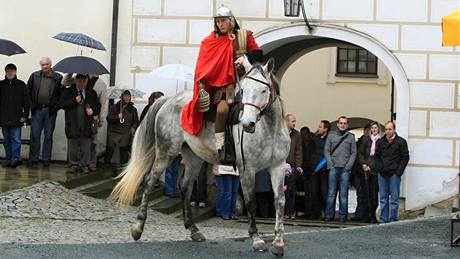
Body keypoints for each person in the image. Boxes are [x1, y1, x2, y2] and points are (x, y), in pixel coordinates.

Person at [181, 6, 263, 162]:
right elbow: (204, 66)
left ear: (231, 20)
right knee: (222, 110)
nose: (220, 24)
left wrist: (245, 59)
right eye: (218, 21)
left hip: (246, 83)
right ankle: (221, 146)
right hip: (224, 86)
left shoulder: (244, 36)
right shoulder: (210, 41)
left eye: (223, 21)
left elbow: (259, 54)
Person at [60, 74, 100, 173]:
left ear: (86, 81)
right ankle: (73, 164)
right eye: (79, 81)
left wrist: (93, 110)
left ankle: (84, 165)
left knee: (86, 146)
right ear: (75, 81)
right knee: (72, 146)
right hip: (73, 122)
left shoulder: (92, 92)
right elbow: (62, 104)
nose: (81, 83)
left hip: (86, 123)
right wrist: (75, 100)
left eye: (84, 81)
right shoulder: (69, 91)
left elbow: (97, 106)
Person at [27, 57, 63, 168]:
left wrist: (56, 107)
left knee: (48, 136)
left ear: (50, 64)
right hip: (37, 110)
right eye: (42, 65)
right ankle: (34, 159)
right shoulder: (34, 76)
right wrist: (31, 105)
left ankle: (46, 159)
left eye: (47, 64)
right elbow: (27, 92)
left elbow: (61, 95)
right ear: (40, 65)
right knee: (35, 135)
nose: (45, 66)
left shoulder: (58, 77)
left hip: (50, 111)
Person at [375, 121, 409, 223]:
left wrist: (399, 172)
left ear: (394, 129)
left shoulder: (401, 142)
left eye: (390, 129)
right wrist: (379, 168)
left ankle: (393, 220)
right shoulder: (381, 142)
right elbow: (376, 156)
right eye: (386, 129)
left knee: (394, 199)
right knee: (383, 199)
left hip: (394, 174)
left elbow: (405, 157)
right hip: (382, 174)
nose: (388, 132)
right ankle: (383, 220)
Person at [324, 116, 357, 222]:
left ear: (347, 125)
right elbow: (326, 151)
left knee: (343, 194)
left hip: (345, 169)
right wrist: (330, 163)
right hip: (333, 168)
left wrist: (349, 166)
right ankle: (329, 215)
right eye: (341, 123)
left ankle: (343, 216)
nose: (342, 125)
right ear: (338, 124)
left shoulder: (351, 137)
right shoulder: (331, 136)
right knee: (331, 193)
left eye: (345, 123)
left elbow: (353, 153)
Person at [0, 64, 30, 168]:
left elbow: (26, 103)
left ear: (15, 72)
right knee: (6, 140)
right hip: (3, 118)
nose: (10, 73)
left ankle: (15, 159)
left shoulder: (21, 85)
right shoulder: (1, 84)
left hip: (17, 118)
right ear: (5, 72)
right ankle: (8, 159)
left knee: (16, 140)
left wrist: (25, 116)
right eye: (8, 71)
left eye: (12, 71)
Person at [104, 90, 139, 170]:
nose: (127, 98)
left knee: (124, 152)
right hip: (114, 133)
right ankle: (107, 167)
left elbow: (136, 121)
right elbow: (108, 118)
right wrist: (117, 116)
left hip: (126, 133)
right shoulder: (115, 107)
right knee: (110, 149)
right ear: (122, 97)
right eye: (125, 96)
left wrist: (132, 129)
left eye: (128, 96)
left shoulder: (133, 109)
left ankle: (123, 169)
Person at [357, 122, 381, 223]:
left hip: (375, 171)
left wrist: (372, 166)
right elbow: (361, 153)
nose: (374, 129)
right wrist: (363, 164)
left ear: (378, 129)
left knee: (374, 195)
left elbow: (380, 157)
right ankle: (365, 215)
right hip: (365, 170)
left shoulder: (381, 141)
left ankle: (373, 216)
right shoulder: (367, 140)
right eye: (372, 128)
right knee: (365, 194)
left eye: (376, 128)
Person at [309, 120, 331, 219]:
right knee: (314, 191)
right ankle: (315, 212)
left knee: (324, 192)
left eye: (320, 127)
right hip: (315, 168)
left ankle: (326, 212)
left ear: (326, 129)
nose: (318, 128)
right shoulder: (314, 138)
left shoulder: (329, 139)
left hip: (325, 169)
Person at [87, 74, 108, 172]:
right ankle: (81, 162)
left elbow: (103, 103)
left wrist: (101, 118)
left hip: (94, 117)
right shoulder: (82, 79)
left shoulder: (101, 84)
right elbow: (65, 82)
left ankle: (92, 163)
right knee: (82, 140)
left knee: (93, 140)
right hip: (82, 116)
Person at [285, 114, 303, 219]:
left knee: (291, 189)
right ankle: (282, 212)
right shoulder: (281, 133)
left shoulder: (297, 134)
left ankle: (290, 212)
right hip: (281, 165)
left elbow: (299, 151)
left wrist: (298, 165)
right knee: (282, 190)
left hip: (292, 165)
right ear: (287, 122)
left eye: (295, 121)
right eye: (292, 121)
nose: (294, 123)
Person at [299, 126, 315, 218]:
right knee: (307, 192)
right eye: (302, 134)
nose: (303, 136)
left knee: (313, 192)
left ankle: (313, 211)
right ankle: (308, 211)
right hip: (305, 170)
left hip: (312, 170)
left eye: (304, 134)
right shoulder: (302, 144)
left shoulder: (313, 143)